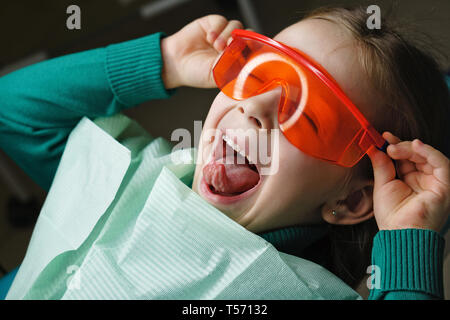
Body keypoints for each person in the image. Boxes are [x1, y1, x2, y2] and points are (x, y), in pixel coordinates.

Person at [0, 6, 449, 299]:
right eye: (258, 73)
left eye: (313, 119)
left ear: (350, 201)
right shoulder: (128, 164)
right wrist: (166, 62)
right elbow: (14, 112)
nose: (253, 107)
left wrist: (409, 239)